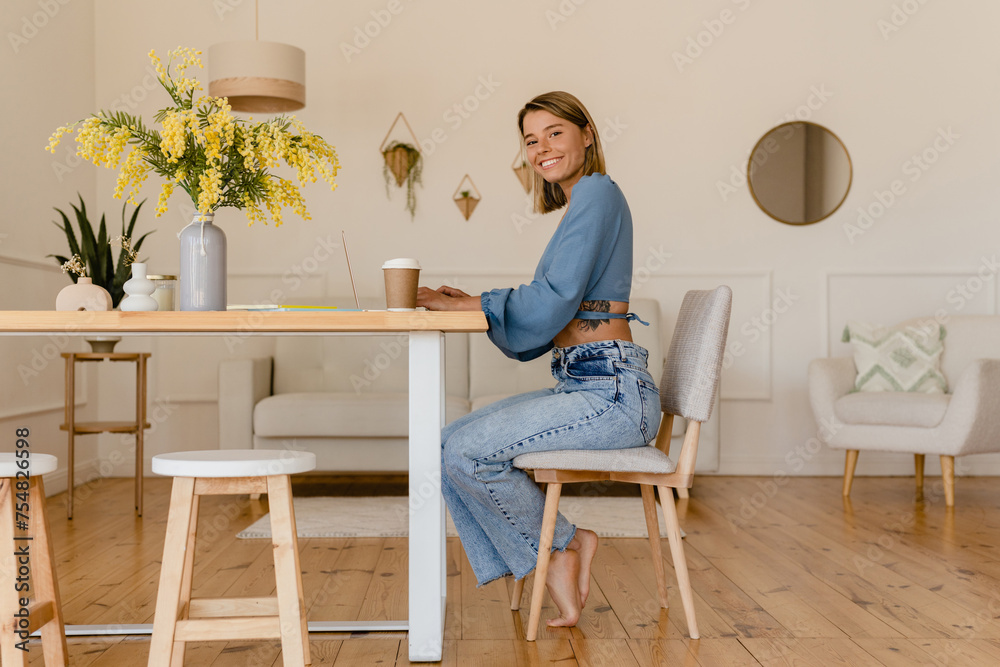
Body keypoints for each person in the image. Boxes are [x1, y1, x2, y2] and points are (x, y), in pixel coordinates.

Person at [416, 91, 660, 628]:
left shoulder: (597, 191)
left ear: (587, 135)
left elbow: (553, 297)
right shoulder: (582, 203)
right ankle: (564, 546)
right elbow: (553, 302)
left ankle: (556, 553)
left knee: (468, 452)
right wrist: (471, 303)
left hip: (613, 393)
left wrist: (477, 305)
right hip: (586, 384)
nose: (542, 148)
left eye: (555, 132)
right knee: (445, 444)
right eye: (531, 139)